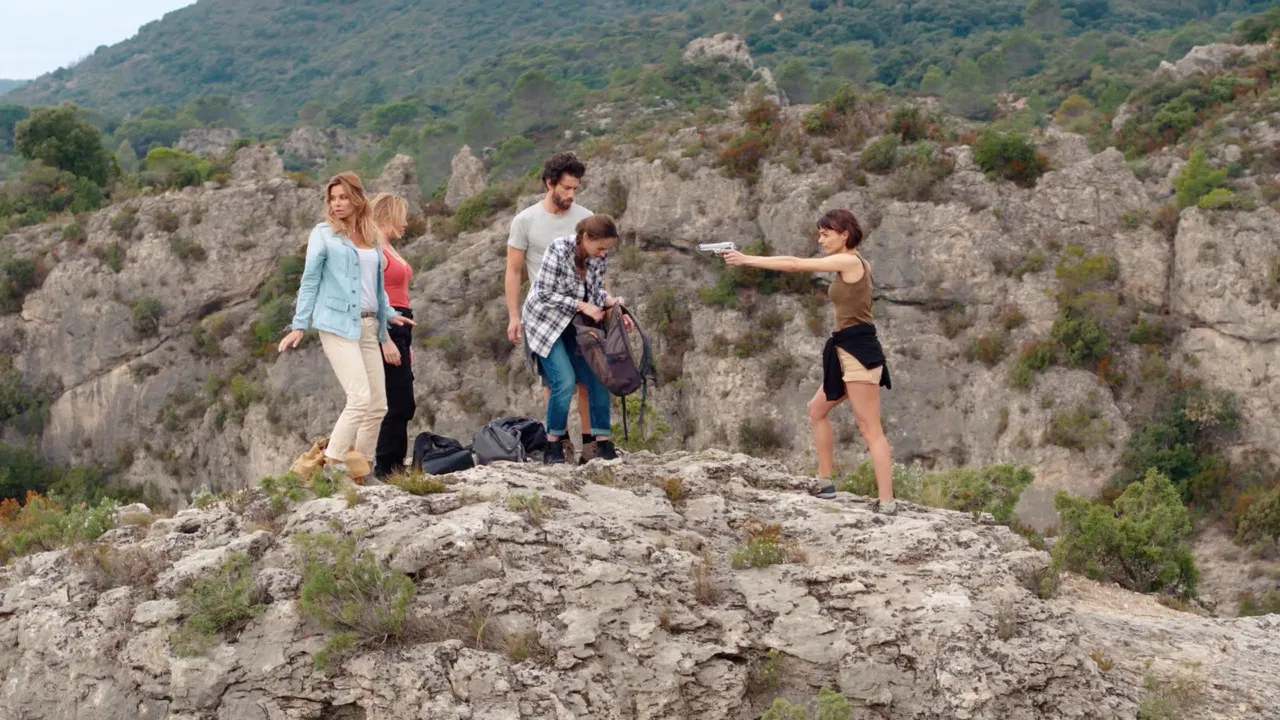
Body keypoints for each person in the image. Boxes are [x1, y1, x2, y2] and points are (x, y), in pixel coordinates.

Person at [719, 209, 896, 514]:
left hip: (859, 352)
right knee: (816, 410)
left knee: (870, 429)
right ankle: (824, 482)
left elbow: (795, 264)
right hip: (842, 349)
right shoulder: (849, 262)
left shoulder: (851, 261)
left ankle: (887, 502)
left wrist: (746, 259)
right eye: (820, 234)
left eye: (826, 234)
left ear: (845, 234)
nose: (820, 240)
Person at [277, 172, 415, 482]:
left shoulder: (369, 235)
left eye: (343, 197)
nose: (337, 204)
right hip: (337, 325)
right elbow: (310, 280)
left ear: (357, 199)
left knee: (378, 405)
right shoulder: (324, 234)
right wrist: (299, 324)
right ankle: (333, 465)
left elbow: (375, 285)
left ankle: (360, 472)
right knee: (359, 398)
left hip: (370, 325)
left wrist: (389, 314)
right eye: (332, 199)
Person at [506, 152, 598, 462]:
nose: (571, 194)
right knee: (555, 381)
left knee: (587, 379)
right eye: (566, 188)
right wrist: (514, 316)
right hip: (545, 317)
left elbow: (596, 268)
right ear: (549, 183)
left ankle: (591, 446)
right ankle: (558, 444)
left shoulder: (586, 219)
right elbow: (513, 271)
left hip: (581, 315)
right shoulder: (525, 221)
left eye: (575, 189)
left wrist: (608, 306)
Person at [522, 215, 627, 464]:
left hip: (576, 326)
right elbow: (543, 293)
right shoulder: (559, 249)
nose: (603, 253)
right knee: (564, 381)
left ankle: (602, 443)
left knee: (598, 377)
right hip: (545, 324)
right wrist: (581, 305)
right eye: (600, 247)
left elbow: (595, 290)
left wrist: (612, 304)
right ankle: (553, 445)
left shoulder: (598, 257)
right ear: (586, 238)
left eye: (607, 249)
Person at [369, 193, 416, 479]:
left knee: (403, 398)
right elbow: (372, 296)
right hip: (388, 324)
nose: (406, 223)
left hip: (402, 326)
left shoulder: (389, 247)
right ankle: (387, 467)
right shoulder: (374, 250)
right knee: (398, 401)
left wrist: (406, 341)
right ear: (388, 216)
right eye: (402, 217)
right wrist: (385, 338)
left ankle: (393, 463)